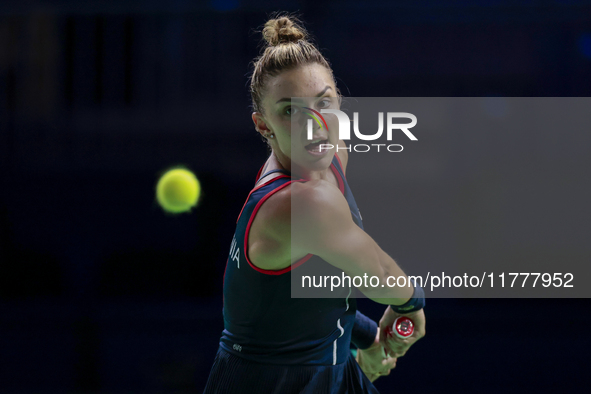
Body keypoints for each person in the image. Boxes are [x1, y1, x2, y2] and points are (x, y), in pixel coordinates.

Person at [203, 14, 426, 394]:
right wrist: (411, 306)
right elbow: (378, 271)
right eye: (290, 111)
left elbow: (313, 283)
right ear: (263, 126)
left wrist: (367, 339)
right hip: (265, 383)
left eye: (324, 103)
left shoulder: (331, 153)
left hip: (326, 365)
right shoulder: (303, 203)